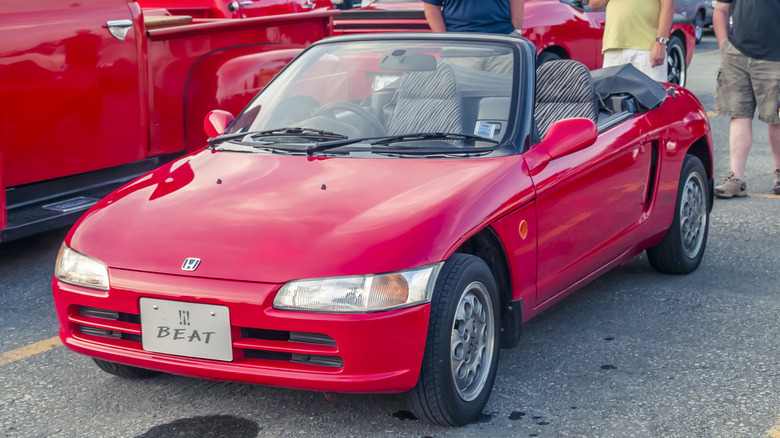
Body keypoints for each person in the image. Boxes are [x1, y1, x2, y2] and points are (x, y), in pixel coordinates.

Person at [712, 0, 780, 198]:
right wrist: (724, 45)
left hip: (775, 57)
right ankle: (736, 180)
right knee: (738, 114)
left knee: (777, 119)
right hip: (736, 56)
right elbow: (720, 10)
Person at [588, 0, 674, 82]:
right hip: (614, 48)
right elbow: (594, 4)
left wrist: (660, 43)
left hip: (647, 50)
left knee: (654, 96)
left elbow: (668, 5)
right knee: (611, 96)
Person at [421, 0, 524, 35]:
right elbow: (431, 6)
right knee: (461, 85)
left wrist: (516, 31)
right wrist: (444, 40)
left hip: (503, 40)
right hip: (461, 44)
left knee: (506, 84)